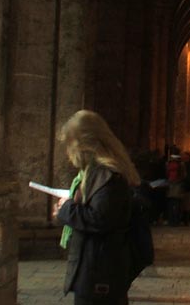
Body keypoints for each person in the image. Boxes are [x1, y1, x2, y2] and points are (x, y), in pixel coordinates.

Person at [54, 109, 140, 305]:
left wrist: (67, 209)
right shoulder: (96, 172)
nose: (69, 153)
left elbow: (100, 218)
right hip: (95, 268)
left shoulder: (107, 174)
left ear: (84, 144)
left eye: (71, 145)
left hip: (100, 272)